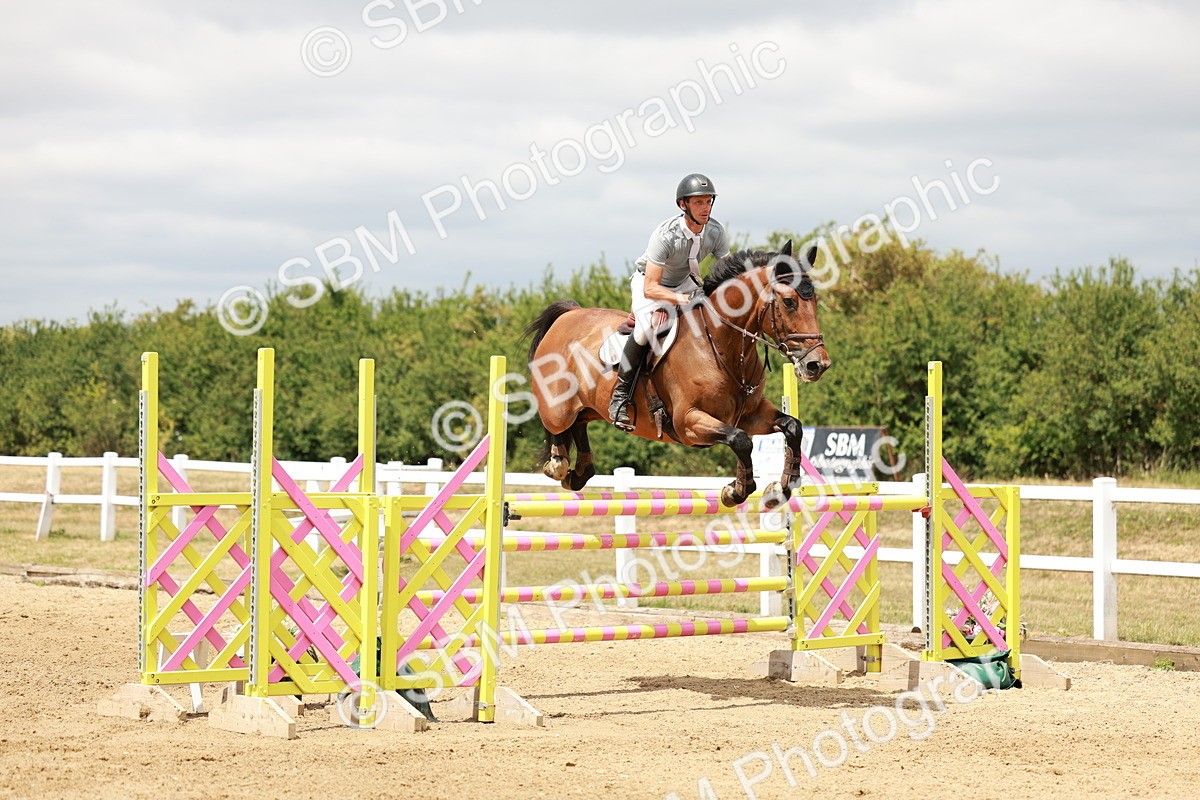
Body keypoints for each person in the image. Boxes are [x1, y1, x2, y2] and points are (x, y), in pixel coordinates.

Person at [608, 173, 731, 431]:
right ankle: (620, 398)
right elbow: (651, 287)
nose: (705, 208)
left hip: (687, 281)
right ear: (683, 205)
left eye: (709, 202)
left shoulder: (716, 232)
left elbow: (726, 273)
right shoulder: (665, 234)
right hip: (651, 284)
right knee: (645, 330)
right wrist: (679, 301)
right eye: (698, 202)